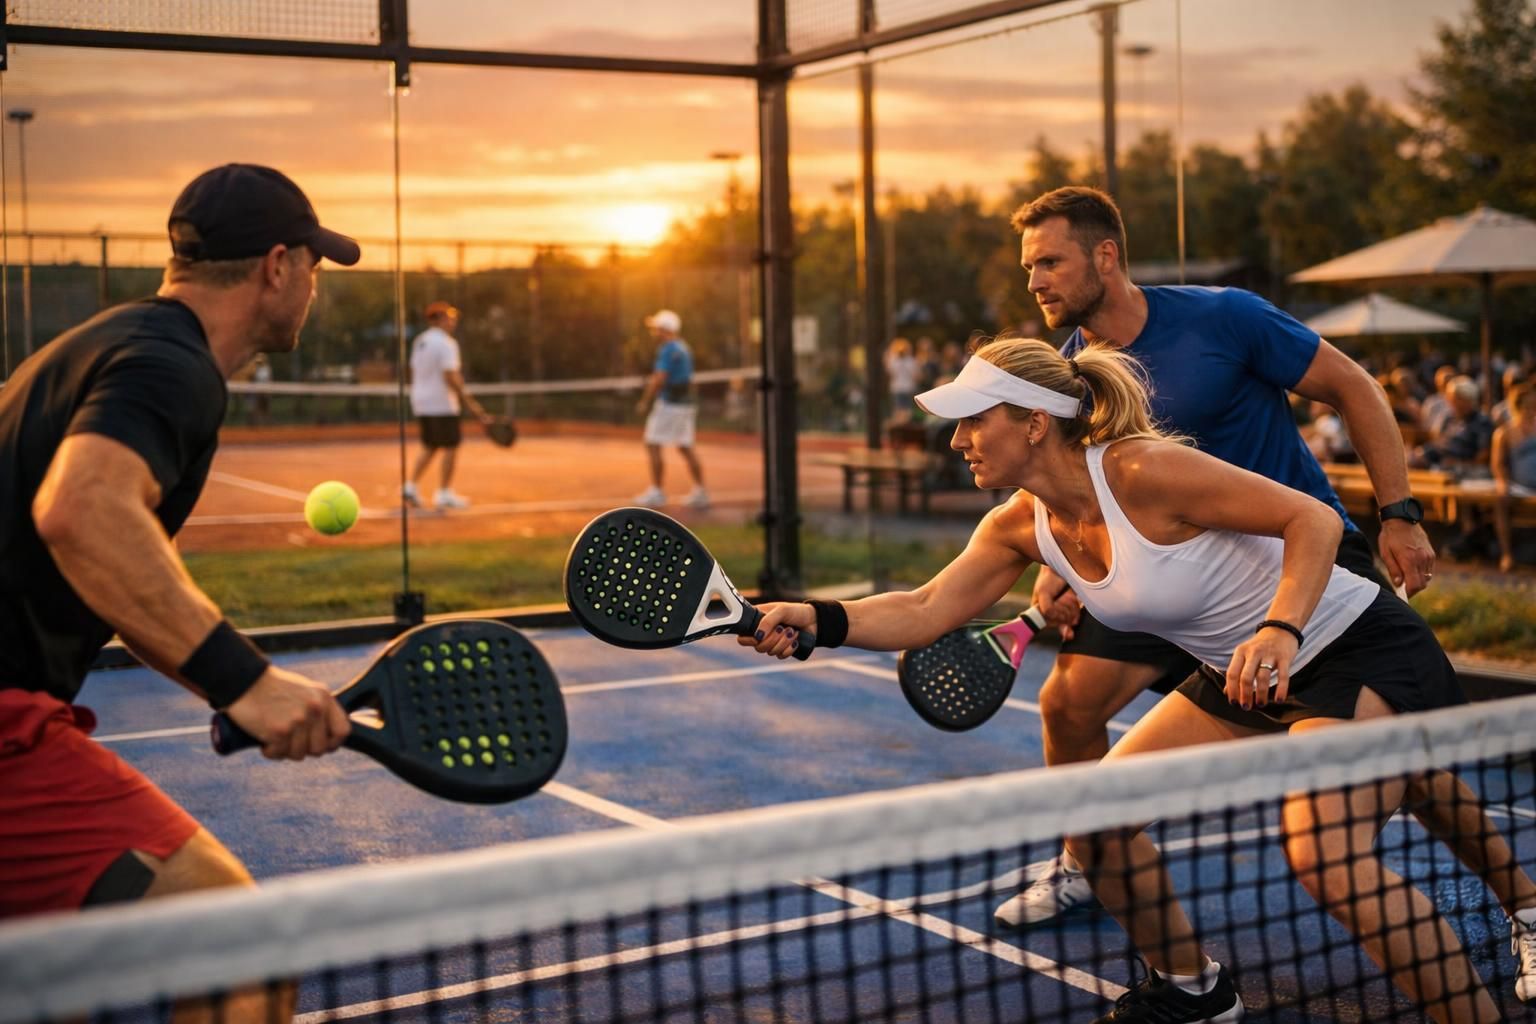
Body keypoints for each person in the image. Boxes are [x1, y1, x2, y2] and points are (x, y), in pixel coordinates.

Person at [739, 337, 1536, 1023]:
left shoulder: (1143, 470)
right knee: (1097, 813)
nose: (959, 442)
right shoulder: (1020, 522)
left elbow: (1315, 519)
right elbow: (923, 608)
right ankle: (1195, 992)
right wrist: (816, 618)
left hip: (1357, 647)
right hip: (1242, 673)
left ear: (1033, 421)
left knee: (1325, 853)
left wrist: (1279, 629)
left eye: (975, 421)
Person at [1001, 186, 1437, 926]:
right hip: (1168, 572)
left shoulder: (1223, 316)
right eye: (1028, 266)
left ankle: (1522, 902)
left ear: (1106, 256)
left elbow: (1353, 387)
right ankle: (1089, 859)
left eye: (1050, 261)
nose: (1035, 280)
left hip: (1296, 560)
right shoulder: (1074, 375)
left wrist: (1399, 514)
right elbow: (1080, 494)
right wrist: (1061, 571)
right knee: (1066, 703)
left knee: (1418, 758)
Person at [0, 164, 356, 1018]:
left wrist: (234, 689)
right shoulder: (171, 367)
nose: (314, 287)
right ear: (277, 265)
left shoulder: (110, 343)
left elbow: (111, 572)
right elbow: (82, 513)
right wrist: (248, 683)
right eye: (314, 265)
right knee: (244, 958)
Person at [404, 301, 491, 511]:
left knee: (431, 445)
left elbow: (414, 371)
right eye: (450, 318)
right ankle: (443, 492)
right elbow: (450, 376)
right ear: (440, 319)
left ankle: (410, 487)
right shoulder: (446, 343)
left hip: (421, 401)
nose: (453, 322)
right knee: (451, 446)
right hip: (442, 403)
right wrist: (470, 404)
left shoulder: (420, 341)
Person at [634, 309, 709, 509]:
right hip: (686, 405)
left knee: (652, 443)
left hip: (669, 404)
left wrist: (645, 400)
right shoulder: (684, 348)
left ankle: (657, 491)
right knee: (685, 446)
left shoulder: (667, 349)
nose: (654, 332)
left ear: (665, 329)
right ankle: (701, 491)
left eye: (657, 328)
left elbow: (660, 377)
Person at [1492, 382, 1536, 571]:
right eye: (1527, 406)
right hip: (1519, 485)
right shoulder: (1505, 433)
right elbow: (1498, 464)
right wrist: (1503, 483)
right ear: (1517, 406)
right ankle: (1507, 554)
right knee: (1501, 499)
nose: (1531, 410)